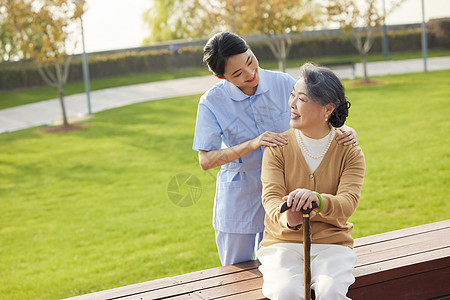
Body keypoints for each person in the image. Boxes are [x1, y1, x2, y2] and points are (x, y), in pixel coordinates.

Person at [192, 32, 359, 266]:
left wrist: (345, 128)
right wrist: (253, 143)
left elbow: (312, 111)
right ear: (221, 76)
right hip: (240, 200)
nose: (250, 74)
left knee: (283, 269)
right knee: (236, 276)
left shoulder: (282, 83)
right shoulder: (211, 102)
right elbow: (206, 160)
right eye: (238, 73)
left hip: (286, 195)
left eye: (250, 61)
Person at [256, 62, 366, 299]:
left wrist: (318, 201)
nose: (292, 105)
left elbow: (348, 203)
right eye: (292, 96)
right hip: (282, 243)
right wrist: (289, 218)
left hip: (332, 244)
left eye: (302, 99)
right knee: (287, 293)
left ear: (327, 108)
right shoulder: (277, 148)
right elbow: (271, 197)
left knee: (330, 292)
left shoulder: (350, 151)